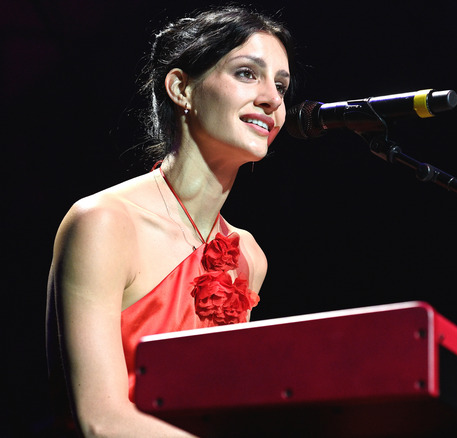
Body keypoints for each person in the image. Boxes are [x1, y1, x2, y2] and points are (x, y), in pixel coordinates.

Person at [45, 6, 294, 437]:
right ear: (182, 89)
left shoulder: (248, 255)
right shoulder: (105, 223)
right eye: (246, 74)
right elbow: (101, 420)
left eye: (281, 84)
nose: (273, 98)